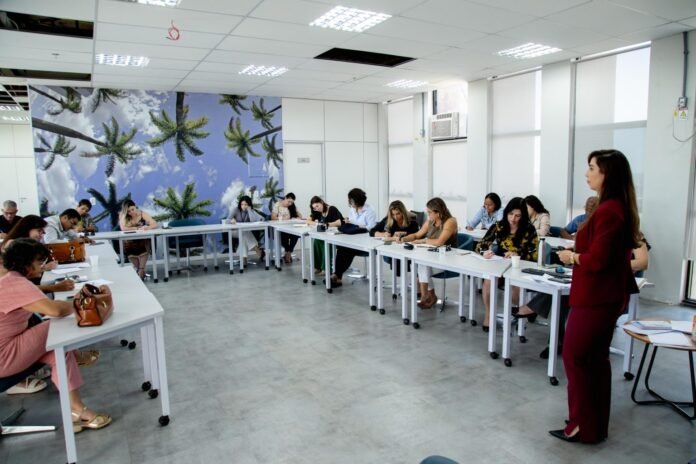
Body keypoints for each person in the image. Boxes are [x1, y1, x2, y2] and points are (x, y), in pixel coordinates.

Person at [551, 149, 641, 444]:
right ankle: (593, 425)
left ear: (607, 174)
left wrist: (573, 257)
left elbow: (599, 260)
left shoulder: (609, 211)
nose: (587, 173)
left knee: (576, 358)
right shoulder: (615, 207)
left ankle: (581, 424)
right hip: (603, 296)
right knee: (595, 361)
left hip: (595, 297)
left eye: (592, 168)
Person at [0, 238, 111, 431]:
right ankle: (78, 358)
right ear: (26, 263)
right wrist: (80, 302)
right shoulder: (14, 284)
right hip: (4, 357)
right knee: (55, 329)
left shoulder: (11, 280)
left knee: (59, 351)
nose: (42, 266)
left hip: (9, 350)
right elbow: (56, 311)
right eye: (39, 262)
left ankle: (77, 412)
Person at [515, 232, 650, 359]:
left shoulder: (634, 235)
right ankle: (556, 343)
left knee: (563, 293)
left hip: (613, 291)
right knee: (560, 291)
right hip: (593, 283)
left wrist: (606, 265)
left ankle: (533, 310)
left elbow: (642, 263)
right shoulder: (601, 236)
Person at [475, 197, 538, 331]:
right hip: (500, 265)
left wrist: (517, 254)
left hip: (519, 267)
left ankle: (525, 309)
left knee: (515, 288)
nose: (513, 219)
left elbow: (534, 255)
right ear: (506, 212)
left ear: (523, 216)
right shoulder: (499, 226)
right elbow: (481, 244)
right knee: (488, 282)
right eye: (511, 214)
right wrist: (484, 252)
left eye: (517, 216)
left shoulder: (529, 229)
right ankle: (489, 314)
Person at [398, 198, 458, 309]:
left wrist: (424, 240)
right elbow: (416, 235)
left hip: (447, 259)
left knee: (420, 265)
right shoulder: (431, 221)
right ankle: (428, 296)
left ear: (438, 213)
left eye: (430, 212)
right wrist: (404, 239)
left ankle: (427, 295)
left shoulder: (450, 221)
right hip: (432, 257)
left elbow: (439, 242)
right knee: (420, 264)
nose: (428, 214)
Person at [1, 215, 75, 294]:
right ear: (27, 228)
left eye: (42, 232)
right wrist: (54, 286)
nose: (41, 235)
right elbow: (17, 285)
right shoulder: (12, 246)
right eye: (39, 231)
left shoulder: (27, 246)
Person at [328, 188, 377, 288]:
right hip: (353, 238)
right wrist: (349, 222)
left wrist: (358, 226)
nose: (350, 203)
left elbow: (371, 228)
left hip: (366, 242)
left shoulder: (370, 211)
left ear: (358, 200)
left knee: (346, 250)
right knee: (342, 248)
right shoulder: (352, 209)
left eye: (351, 201)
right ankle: (337, 276)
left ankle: (337, 276)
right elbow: (351, 221)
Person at [370, 200, 419, 277]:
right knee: (391, 253)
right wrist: (383, 234)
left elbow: (416, 235)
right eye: (393, 214)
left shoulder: (412, 221)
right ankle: (400, 277)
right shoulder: (388, 220)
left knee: (403, 255)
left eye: (398, 214)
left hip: (407, 248)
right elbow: (372, 231)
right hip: (390, 246)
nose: (395, 217)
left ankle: (405, 279)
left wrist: (399, 236)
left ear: (403, 212)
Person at [119, 200, 158, 279]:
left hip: (143, 239)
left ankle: (141, 271)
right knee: (127, 244)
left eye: (132, 209)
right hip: (130, 240)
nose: (131, 212)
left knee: (145, 242)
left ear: (135, 206)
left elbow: (155, 224)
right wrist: (137, 228)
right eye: (128, 211)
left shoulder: (142, 214)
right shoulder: (123, 216)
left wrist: (147, 227)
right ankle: (140, 270)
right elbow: (123, 228)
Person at [306, 196, 343, 275]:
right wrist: (317, 224)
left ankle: (326, 268)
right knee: (317, 241)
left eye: (317, 206)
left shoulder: (332, 209)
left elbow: (340, 222)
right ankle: (317, 266)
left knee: (326, 242)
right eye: (314, 208)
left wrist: (328, 224)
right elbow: (308, 221)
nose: (317, 209)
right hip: (327, 234)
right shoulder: (317, 211)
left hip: (337, 234)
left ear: (321, 202)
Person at [226, 195, 265, 263]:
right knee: (244, 232)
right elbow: (227, 220)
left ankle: (244, 259)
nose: (243, 206)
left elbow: (253, 220)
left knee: (244, 234)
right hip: (235, 232)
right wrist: (231, 221)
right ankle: (257, 249)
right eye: (242, 204)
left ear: (249, 205)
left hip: (244, 232)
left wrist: (249, 210)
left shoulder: (250, 210)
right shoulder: (236, 209)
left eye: (245, 204)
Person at [271, 193, 304, 264]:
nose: (290, 204)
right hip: (280, 229)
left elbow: (300, 216)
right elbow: (273, 217)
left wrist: (298, 217)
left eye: (292, 202)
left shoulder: (292, 206)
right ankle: (288, 252)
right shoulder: (278, 205)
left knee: (296, 235)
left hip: (290, 228)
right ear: (285, 198)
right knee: (283, 236)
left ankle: (288, 253)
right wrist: (283, 218)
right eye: (289, 201)